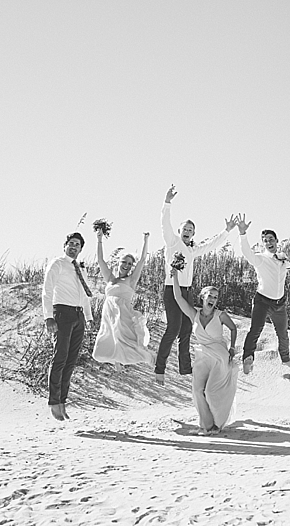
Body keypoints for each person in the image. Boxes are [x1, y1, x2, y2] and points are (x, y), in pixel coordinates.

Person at [156, 185, 237, 385]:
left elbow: (212, 245)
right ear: (179, 231)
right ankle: (160, 368)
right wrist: (167, 202)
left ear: (193, 234)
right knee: (173, 328)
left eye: (191, 231)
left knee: (186, 329)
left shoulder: (192, 250)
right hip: (171, 288)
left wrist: (226, 231)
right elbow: (164, 223)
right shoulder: (172, 242)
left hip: (187, 291)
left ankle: (185, 368)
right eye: (185, 229)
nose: (187, 232)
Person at [236, 215, 290, 376]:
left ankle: (285, 358)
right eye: (265, 240)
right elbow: (247, 252)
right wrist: (242, 234)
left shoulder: (283, 260)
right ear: (263, 244)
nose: (269, 242)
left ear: (276, 241)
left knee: (283, 333)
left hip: (279, 303)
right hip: (262, 301)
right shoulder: (260, 259)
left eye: (271, 239)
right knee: (256, 329)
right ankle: (248, 358)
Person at [170, 268, 238, 434]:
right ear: (203, 297)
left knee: (210, 391)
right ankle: (207, 426)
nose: (213, 300)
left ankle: (217, 423)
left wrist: (232, 347)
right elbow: (178, 298)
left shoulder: (220, 315)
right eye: (210, 296)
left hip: (219, 356)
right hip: (202, 356)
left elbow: (233, 328)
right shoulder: (194, 314)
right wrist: (175, 277)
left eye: (215, 297)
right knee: (197, 390)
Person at [42, 232, 94, 421]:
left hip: (78, 315)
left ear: (81, 249)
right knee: (60, 358)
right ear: (65, 245)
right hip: (62, 313)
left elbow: (84, 294)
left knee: (71, 361)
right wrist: (48, 317)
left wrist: (88, 318)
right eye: (71, 243)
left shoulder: (81, 268)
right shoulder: (58, 264)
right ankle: (54, 402)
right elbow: (47, 291)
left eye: (77, 245)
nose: (74, 247)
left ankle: (63, 401)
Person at [92, 230, 153, 366]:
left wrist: (145, 241)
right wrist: (99, 240)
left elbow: (142, 260)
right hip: (108, 314)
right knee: (103, 346)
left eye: (130, 264)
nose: (126, 266)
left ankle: (147, 358)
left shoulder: (131, 280)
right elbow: (100, 260)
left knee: (127, 341)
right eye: (124, 262)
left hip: (123, 313)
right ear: (118, 263)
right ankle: (116, 360)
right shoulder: (110, 278)